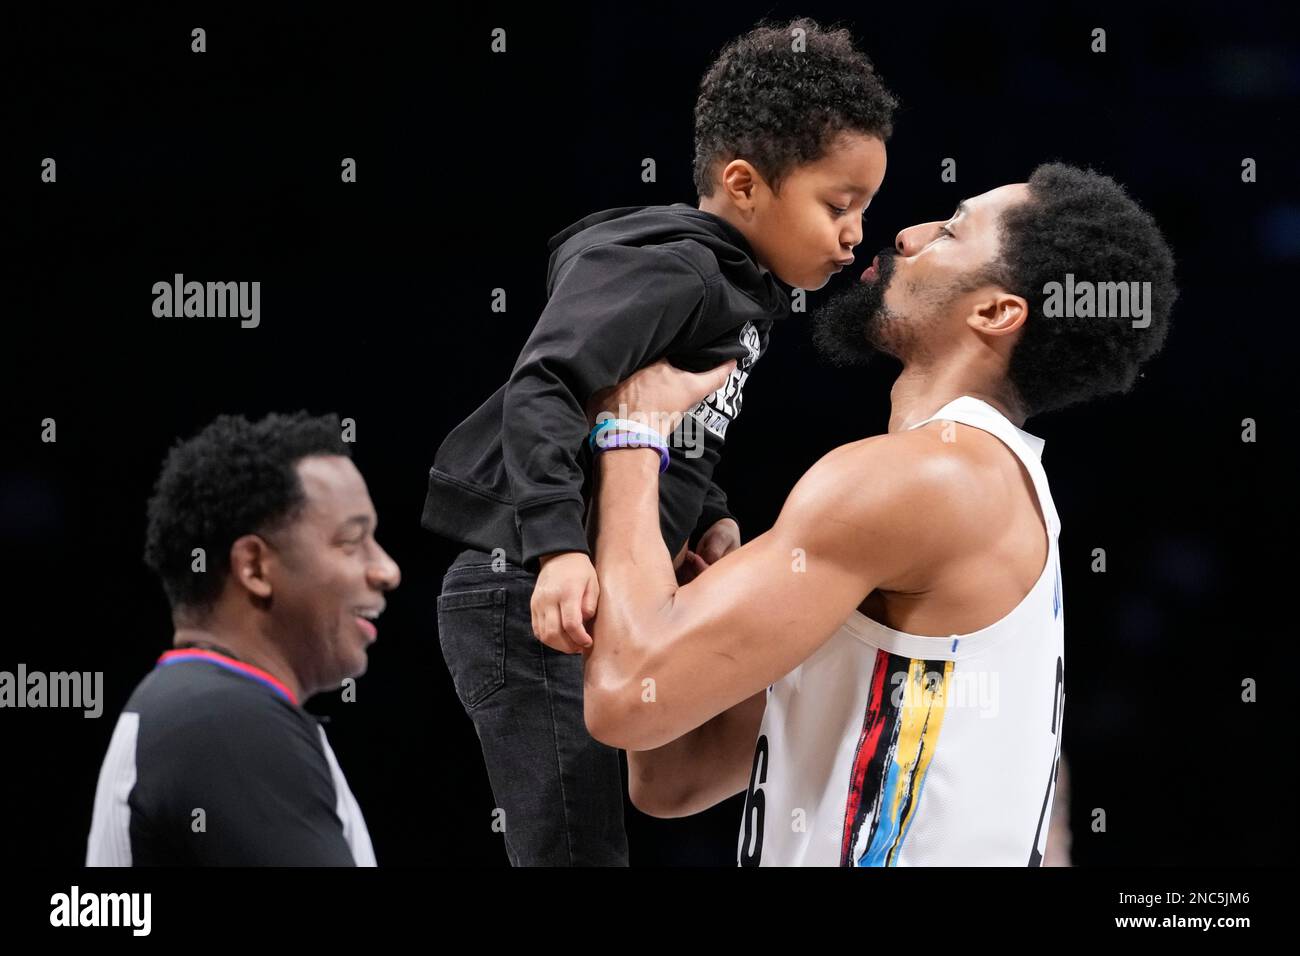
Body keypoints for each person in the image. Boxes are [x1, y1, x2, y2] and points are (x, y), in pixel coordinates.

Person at [582, 163, 1176, 866]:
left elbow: (623, 698)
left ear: (993, 312)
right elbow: (674, 772)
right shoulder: (976, 486)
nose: (910, 233)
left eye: (952, 231)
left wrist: (630, 435)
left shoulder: (927, 479)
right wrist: (664, 576)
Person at [422, 17, 895, 865]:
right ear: (746, 185)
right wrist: (560, 548)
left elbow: (666, 422)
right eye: (839, 205)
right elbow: (547, 384)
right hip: (522, 586)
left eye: (864, 208)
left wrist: (703, 516)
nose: (856, 235)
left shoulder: (739, 288)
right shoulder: (675, 269)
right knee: (571, 848)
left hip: (572, 593)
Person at [86, 411, 400, 866]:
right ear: (253, 567)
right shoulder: (225, 720)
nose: (388, 570)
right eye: (352, 542)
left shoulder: (203, 704)